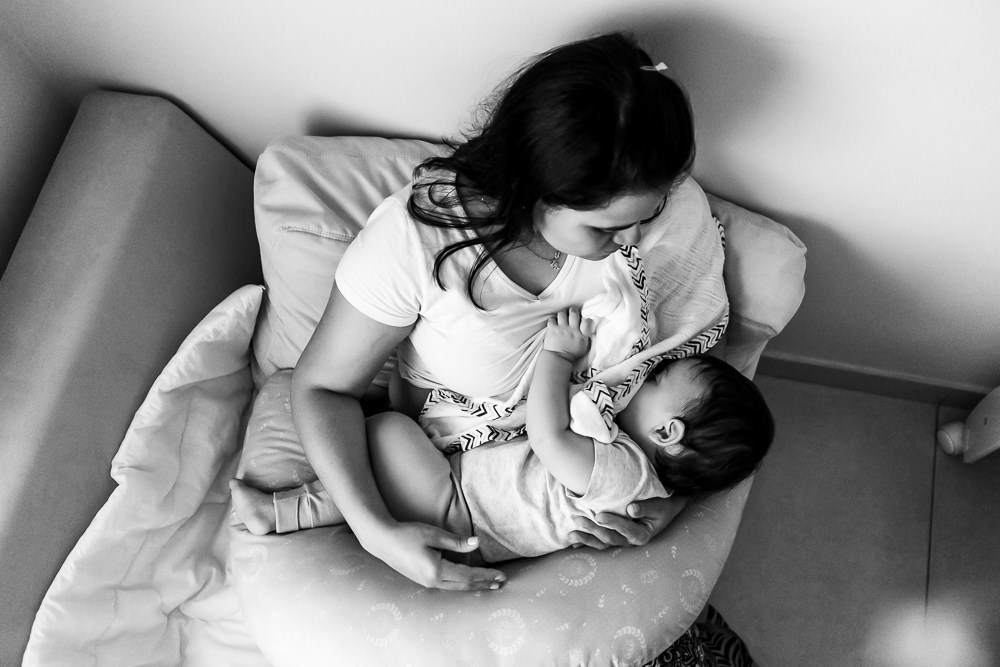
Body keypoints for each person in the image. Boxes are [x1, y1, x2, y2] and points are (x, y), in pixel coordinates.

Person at [283, 31, 708, 591]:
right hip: (455, 472)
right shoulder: (416, 246)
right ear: (533, 186)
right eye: (606, 227)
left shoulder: (670, 223)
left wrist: (664, 498)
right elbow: (321, 390)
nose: (632, 239)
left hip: (576, 485)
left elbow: (693, 382)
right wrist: (376, 532)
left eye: (648, 214)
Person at [231, 307, 773, 564]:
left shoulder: (623, 471)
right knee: (390, 463)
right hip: (465, 512)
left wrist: (558, 357)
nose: (642, 375)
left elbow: (548, 434)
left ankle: (284, 514)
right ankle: (286, 513)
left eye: (656, 379)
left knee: (389, 433)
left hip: (459, 512)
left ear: (668, 430)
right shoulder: (650, 483)